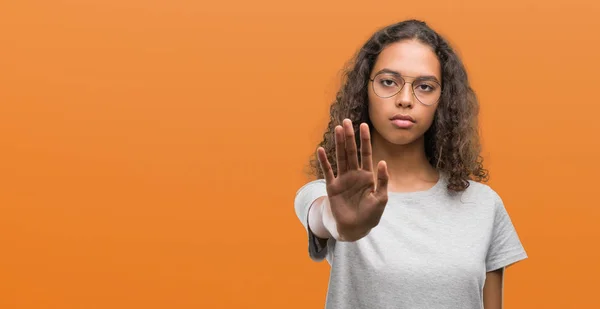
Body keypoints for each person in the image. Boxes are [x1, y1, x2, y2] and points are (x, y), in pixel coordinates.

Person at [293, 19, 528, 309]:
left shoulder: (484, 205)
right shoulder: (329, 193)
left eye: (425, 87)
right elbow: (323, 216)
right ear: (365, 89)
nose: (405, 99)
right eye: (388, 82)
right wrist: (340, 224)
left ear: (443, 100)